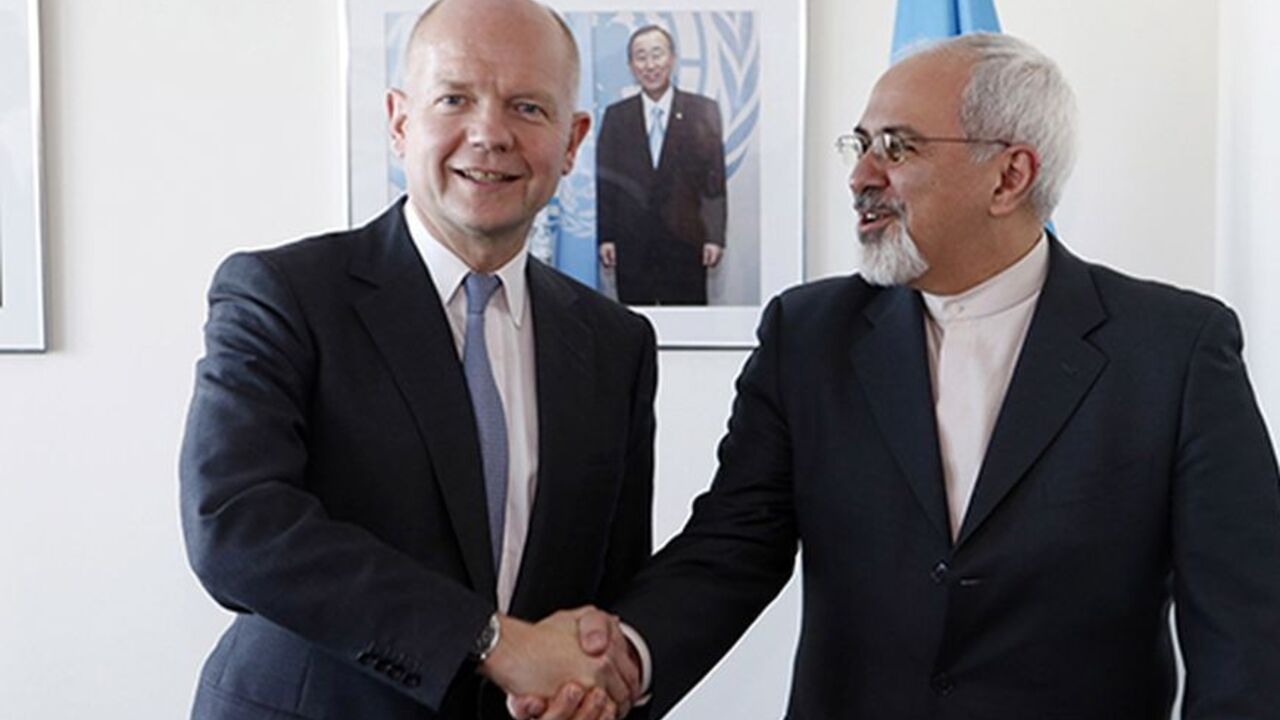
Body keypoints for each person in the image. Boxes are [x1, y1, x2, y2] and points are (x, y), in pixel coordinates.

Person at [518, 32, 1280, 719]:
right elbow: (733, 548)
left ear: (1009, 175)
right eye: (860, 144)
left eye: (898, 146)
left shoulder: (1175, 349)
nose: (861, 176)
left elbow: (1247, 634)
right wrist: (622, 662)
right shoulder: (807, 336)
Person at [178, 1, 654, 718]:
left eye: (528, 106)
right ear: (400, 120)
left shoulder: (616, 344)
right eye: (455, 98)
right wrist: (491, 642)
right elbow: (236, 525)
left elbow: (606, 591)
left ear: (573, 140)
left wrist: (585, 687)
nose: (490, 134)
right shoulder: (283, 294)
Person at [596, 25, 727, 306]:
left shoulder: (701, 111)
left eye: (657, 54)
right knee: (632, 331)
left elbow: (714, 180)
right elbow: (606, 182)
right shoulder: (616, 116)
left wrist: (714, 237)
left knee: (688, 327)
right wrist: (606, 237)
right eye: (640, 57)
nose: (650, 65)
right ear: (631, 65)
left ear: (673, 59)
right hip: (632, 245)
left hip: (686, 243)